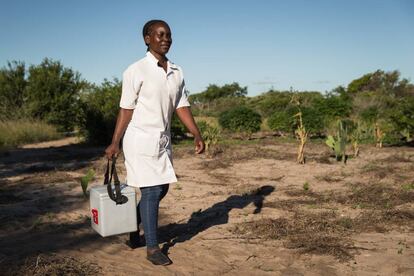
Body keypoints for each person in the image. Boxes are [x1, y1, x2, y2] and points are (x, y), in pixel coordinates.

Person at [105, 19, 205, 266]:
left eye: (169, 35)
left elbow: (181, 105)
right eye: (159, 35)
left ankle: (131, 227)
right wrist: (115, 142)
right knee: (150, 191)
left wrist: (196, 133)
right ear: (147, 39)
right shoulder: (135, 70)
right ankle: (151, 248)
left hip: (162, 141)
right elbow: (125, 110)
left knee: (162, 188)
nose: (165, 39)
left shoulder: (177, 71)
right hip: (139, 139)